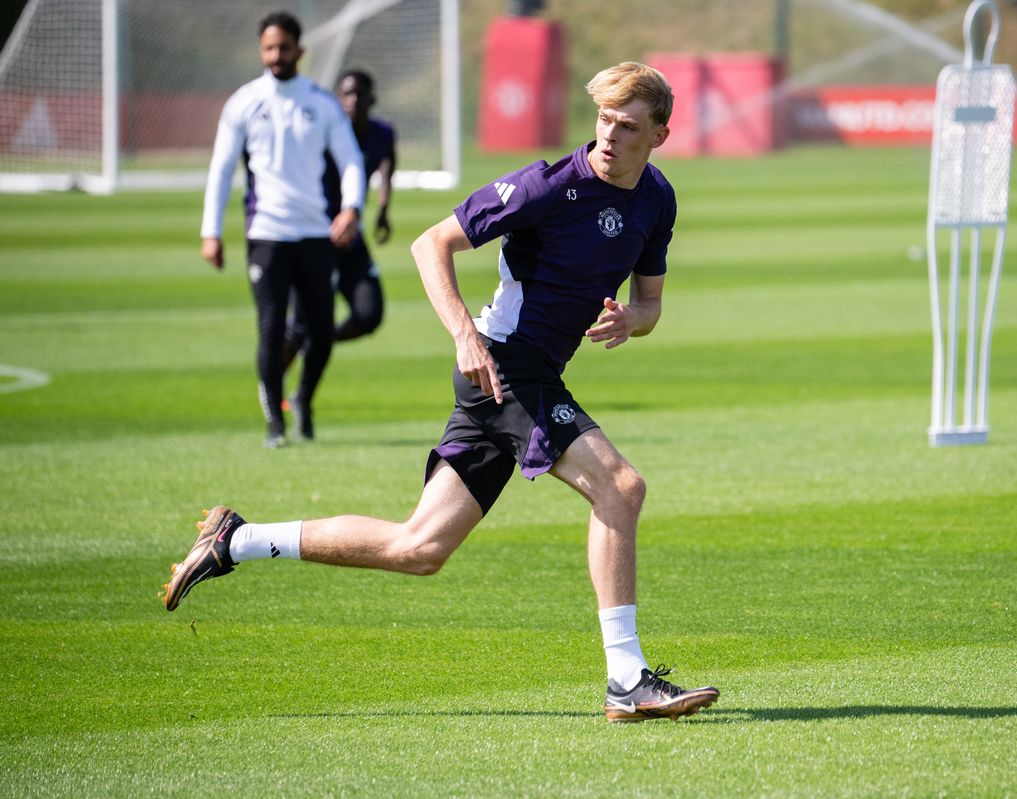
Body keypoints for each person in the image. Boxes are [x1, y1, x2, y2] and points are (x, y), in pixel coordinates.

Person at [166, 62, 719, 723]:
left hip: (520, 374)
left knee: (419, 548)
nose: (608, 135)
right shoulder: (548, 186)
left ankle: (238, 539)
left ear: (659, 133)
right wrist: (464, 334)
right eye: (602, 118)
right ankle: (626, 678)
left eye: (627, 126)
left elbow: (650, 302)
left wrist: (635, 319)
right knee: (620, 486)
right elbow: (433, 243)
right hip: (504, 365)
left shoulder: (658, 199)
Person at [200, 11, 365, 448]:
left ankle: (304, 400)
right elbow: (221, 169)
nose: (276, 56)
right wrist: (210, 231)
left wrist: (351, 208)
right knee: (272, 327)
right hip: (267, 234)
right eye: (269, 48)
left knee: (321, 330)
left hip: (315, 234)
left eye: (284, 48)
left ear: (299, 50)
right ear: (261, 50)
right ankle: (274, 420)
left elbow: (350, 160)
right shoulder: (244, 102)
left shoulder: (320, 101)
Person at [282, 69, 395, 377]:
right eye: (346, 94)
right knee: (298, 326)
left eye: (360, 94)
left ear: (373, 99)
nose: (353, 100)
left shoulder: (382, 133)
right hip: (315, 239)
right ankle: (272, 392)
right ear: (337, 98)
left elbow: (387, 160)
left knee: (368, 315)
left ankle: (319, 342)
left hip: (351, 240)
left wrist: (384, 207)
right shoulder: (325, 135)